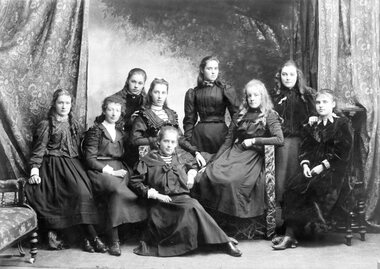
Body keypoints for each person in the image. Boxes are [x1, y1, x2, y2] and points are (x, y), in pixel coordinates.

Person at [129, 125, 242, 257]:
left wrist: (191, 175)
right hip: (161, 204)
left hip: (181, 198)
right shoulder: (148, 159)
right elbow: (134, 181)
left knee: (192, 205)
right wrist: (155, 195)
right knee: (192, 206)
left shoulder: (180, 157)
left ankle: (222, 240)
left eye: (172, 142)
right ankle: (223, 240)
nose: (169, 145)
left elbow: (193, 165)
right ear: (159, 142)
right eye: (166, 141)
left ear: (176, 144)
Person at [25, 89, 107, 253]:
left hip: (74, 165)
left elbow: (81, 148)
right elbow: (38, 151)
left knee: (84, 193)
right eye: (60, 102)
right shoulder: (46, 125)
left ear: (71, 105)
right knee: (72, 194)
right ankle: (91, 238)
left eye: (67, 103)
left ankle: (89, 238)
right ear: (54, 104)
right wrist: (34, 171)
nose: (64, 106)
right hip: (53, 166)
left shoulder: (74, 123)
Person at [272, 89, 352, 250]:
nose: (321, 106)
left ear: (333, 104)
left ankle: (292, 235)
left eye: (325, 102)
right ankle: (290, 234)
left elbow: (343, 154)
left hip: (334, 171)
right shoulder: (312, 124)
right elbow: (305, 148)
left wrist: (321, 166)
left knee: (312, 189)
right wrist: (306, 165)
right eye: (318, 102)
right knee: (292, 186)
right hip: (313, 167)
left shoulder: (342, 124)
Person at [195, 79, 284, 218]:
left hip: (253, 156)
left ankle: (232, 217)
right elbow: (228, 141)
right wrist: (212, 162)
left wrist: (254, 140)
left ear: (263, 96)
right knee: (211, 174)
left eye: (256, 95)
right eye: (249, 96)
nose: (252, 98)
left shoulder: (269, 115)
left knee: (232, 181)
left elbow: (279, 139)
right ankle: (217, 219)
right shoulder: (239, 115)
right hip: (235, 152)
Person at [82, 96, 148, 256]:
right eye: (110, 109)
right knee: (118, 191)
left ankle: (123, 237)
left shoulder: (121, 132)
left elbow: (129, 152)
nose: (113, 113)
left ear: (121, 113)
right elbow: (89, 159)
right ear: (104, 110)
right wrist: (110, 171)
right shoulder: (95, 131)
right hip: (100, 170)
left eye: (117, 110)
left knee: (137, 188)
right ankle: (114, 240)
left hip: (120, 167)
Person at [271, 60, 316, 207]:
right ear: (280, 76)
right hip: (281, 142)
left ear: (298, 76)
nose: (288, 78)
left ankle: (295, 216)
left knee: (298, 180)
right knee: (280, 180)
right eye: (284, 74)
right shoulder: (275, 96)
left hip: (302, 142)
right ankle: (280, 214)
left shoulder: (307, 95)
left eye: (291, 74)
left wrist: (313, 117)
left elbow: (318, 113)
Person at [130, 78, 205, 166]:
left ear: (166, 94)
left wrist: (195, 152)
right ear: (150, 93)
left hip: (176, 153)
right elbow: (135, 140)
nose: (160, 96)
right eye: (156, 92)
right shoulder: (144, 115)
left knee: (200, 166)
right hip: (156, 156)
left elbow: (180, 138)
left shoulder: (171, 114)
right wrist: (157, 139)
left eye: (163, 93)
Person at [183, 55, 240, 155]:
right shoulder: (193, 93)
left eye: (216, 68)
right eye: (209, 68)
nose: (213, 72)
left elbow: (236, 114)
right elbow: (189, 120)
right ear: (202, 70)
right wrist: (189, 141)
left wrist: (230, 136)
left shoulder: (225, 90)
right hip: (199, 137)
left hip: (220, 135)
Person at [111, 68, 147, 167]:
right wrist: (128, 122)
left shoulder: (147, 101)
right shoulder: (116, 99)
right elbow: (108, 123)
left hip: (142, 138)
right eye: (133, 82)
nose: (136, 86)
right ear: (128, 81)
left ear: (144, 84)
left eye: (140, 83)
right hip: (122, 137)